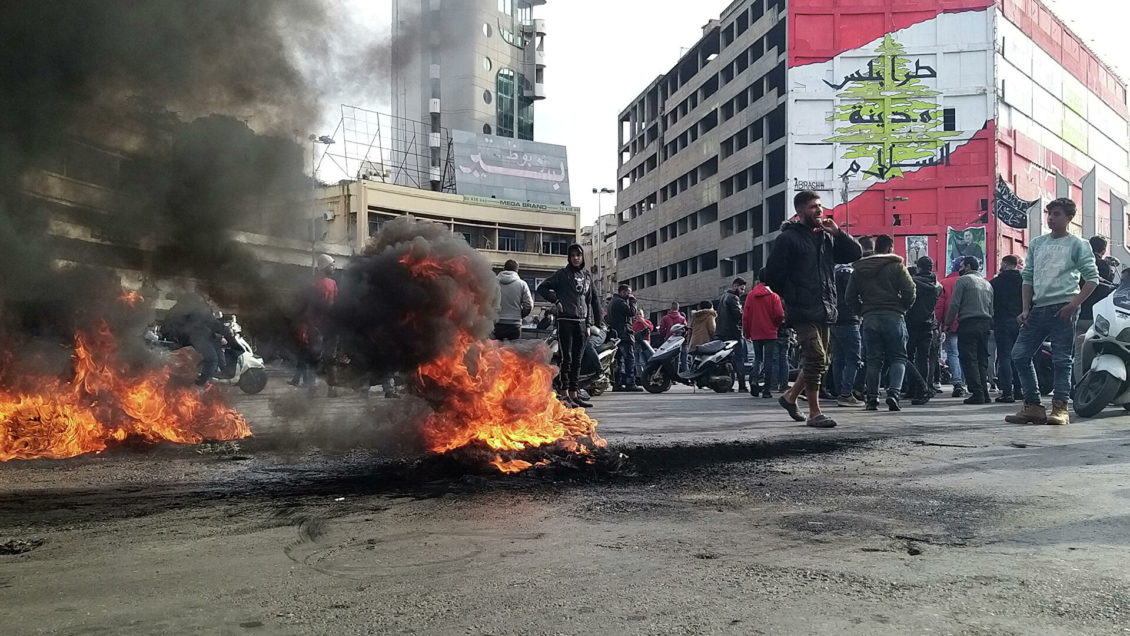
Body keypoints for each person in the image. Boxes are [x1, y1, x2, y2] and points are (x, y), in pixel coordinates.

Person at [764, 190, 863, 428]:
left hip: (826, 307)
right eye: (812, 207)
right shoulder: (788, 238)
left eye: (819, 206)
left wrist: (838, 233)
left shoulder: (826, 237)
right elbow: (772, 274)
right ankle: (814, 412)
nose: (818, 210)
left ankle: (790, 397)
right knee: (817, 358)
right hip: (802, 309)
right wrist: (792, 295)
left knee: (821, 360)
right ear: (799, 212)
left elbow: (854, 254)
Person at [1007, 199, 1100, 425]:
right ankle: (1033, 406)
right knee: (1019, 354)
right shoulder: (1037, 244)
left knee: (1061, 359)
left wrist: (1073, 304)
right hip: (1037, 308)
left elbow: (1092, 279)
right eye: (1049, 213)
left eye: (1056, 214)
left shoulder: (1078, 244)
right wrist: (1025, 308)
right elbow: (1027, 277)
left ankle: (1060, 407)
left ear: (1069, 218)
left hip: (1063, 308)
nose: (1051, 218)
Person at [845, 234, 916, 411]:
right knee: (898, 357)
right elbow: (910, 290)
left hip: (870, 318)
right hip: (894, 316)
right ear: (890, 248)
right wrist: (903, 307)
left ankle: (872, 398)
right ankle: (893, 394)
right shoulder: (897, 266)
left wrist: (862, 311)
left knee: (873, 360)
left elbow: (849, 297)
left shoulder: (859, 269)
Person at [537, 244, 604, 408]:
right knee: (566, 359)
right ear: (569, 257)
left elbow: (592, 301)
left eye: (578, 255)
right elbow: (542, 288)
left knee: (577, 361)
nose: (576, 258)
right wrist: (556, 301)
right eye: (573, 255)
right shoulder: (561, 275)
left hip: (582, 324)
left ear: (582, 257)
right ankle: (564, 393)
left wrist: (593, 323)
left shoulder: (587, 276)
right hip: (565, 322)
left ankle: (574, 393)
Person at [944, 256, 995, 404]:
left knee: (968, 358)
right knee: (982, 358)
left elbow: (954, 304)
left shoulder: (963, 281)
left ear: (967, 266)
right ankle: (984, 392)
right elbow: (991, 308)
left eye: (960, 266)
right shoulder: (987, 284)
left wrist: (947, 323)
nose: (959, 269)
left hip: (968, 323)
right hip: (985, 323)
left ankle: (976, 392)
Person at [163, 291, 232, 387]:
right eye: (208, 299)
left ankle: (205, 376)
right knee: (212, 359)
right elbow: (212, 323)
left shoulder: (176, 308)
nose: (209, 302)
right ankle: (200, 384)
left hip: (179, 339)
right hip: (194, 338)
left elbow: (166, 324)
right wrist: (226, 332)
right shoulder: (198, 309)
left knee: (212, 349)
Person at [291, 254, 338, 392]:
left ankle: (313, 387)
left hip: (317, 326)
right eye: (332, 265)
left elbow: (308, 307)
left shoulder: (313, 284)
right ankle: (332, 389)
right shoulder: (332, 284)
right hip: (327, 327)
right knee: (330, 358)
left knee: (315, 357)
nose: (334, 267)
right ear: (325, 267)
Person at [905, 256, 942, 405]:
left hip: (911, 323)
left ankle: (913, 388)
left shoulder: (913, 282)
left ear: (919, 267)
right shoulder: (937, 285)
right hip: (928, 324)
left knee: (907, 356)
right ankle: (923, 389)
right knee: (924, 358)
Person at [742, 269, 785, 399]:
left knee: (757, 358)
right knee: (769, 360)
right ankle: (767, 389)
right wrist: (776, 325)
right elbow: (779, 314)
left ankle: (754, 381)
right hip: (770, 332)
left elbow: (746, 316)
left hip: (755, 331)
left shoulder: (750, 295)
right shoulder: (774, 296)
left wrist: (747, 332)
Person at [990, 255, 1024, 403]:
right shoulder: (1023, 281)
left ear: (1004, 264)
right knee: (1019, 356)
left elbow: (991, 303)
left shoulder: (996, 282)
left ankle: (1006, 391)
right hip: (1020, 321)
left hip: (1002, 321)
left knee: (1004, 356)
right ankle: (1019, 390)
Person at [829, 261, 862, 407]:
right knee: (853, 359)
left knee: (838, 359)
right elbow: (855, 296)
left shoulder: (832, 273)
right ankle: (846, 393)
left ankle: (839, 391)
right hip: (850, 319)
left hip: (834, 319)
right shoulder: (852, 274)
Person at [607, 283, 642, 392]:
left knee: (617, 360)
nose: (629, 295)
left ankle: (617, 383)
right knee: (629, 359)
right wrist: (633, 301)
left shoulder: (612, 302)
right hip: (624, 334)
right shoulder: (620, 302)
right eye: (628, 292)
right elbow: (632, 312)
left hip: (615, 334)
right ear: (622, 292)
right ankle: (630, 383)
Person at [715, 277, 748, 392]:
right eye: (741, 288)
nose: (742, 291)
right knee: (740, 359)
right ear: (735, 286)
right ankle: (742, 385)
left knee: (727, 360)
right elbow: (738, 315)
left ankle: (728, 384)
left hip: (722, 333)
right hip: (734, 333)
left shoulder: (723, 297)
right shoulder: (733, 298)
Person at [938, 271, 965, 397]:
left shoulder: (944, 283)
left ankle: (957, 382)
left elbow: (941, 305)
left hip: (951, 322)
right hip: (967, 321)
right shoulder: (970, 281)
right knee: (966, 353)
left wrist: (941, 324)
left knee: (953, 353)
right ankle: (968, 382)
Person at [494, 259, 533, 342]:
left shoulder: (493, 283)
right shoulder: (522, 284)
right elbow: (528, 305)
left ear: (504, 269)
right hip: (514, 324)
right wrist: (520, 315)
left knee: (495, 352)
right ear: (517, 270)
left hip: (497, 323)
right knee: (513, 352)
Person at [658, 302, 689, 371]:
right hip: (681, 341)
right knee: (684, 360)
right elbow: (685, 330)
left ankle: (673, 377)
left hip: (669, 342)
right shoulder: (682, 318)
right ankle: (686, 377)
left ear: (671, 308)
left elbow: (662, 330)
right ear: (678, 308)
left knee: (672, 361)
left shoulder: (665, 318)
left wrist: (664, 337)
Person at [631, 308, 654, 372]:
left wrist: (643, 321)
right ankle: (640, 376)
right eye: (637, 314)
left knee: (644, 361)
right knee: (637, 362)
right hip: (637, 345)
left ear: (643, 315)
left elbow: (650, 329)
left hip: (645, 345)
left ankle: (647, 374)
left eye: (640, 314)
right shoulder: (634, 325)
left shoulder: (647, 322)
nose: (638, 316)